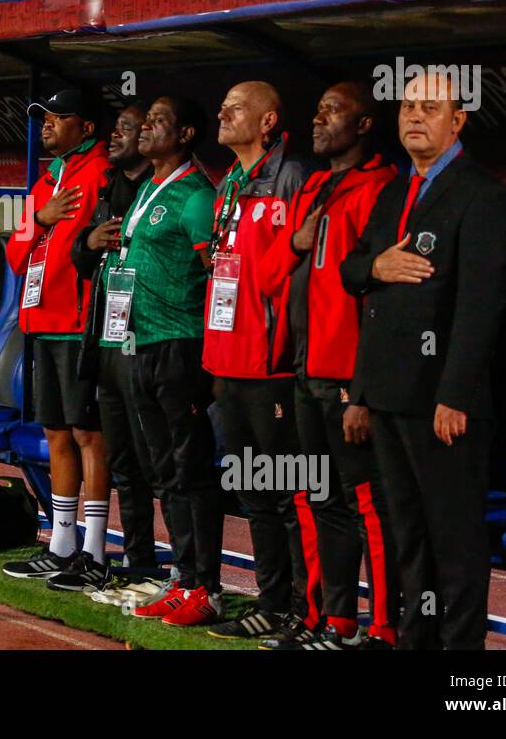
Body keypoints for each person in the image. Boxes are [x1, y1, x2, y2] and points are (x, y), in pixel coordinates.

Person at [341, 71, 506, 650]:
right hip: (389, 395)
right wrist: (375, 269)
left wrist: (455, 395)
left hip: (441, 402)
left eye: (431, 107)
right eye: (408, 106)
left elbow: (482, 306)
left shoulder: (484, 194)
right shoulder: (395, 191)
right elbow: (351, 269)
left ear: (457, 120)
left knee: (455, 543)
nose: (415, 116)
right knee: (406, 537)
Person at [258, 81, 400, 649]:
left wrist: (363, 389)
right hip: (303, 371)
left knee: (369, 505)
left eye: (332, 111)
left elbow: (382, 302)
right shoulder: (314, 186)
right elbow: (268, 278)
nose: (317, 120)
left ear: (364, 125)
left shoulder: (384, 189)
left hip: (349, 378)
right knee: (313, 497)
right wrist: (296, 241)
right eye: (315, 109)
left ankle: (385, 630)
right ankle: (329, 621)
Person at [202, 81, 315, 643]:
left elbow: (303, 266)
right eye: (222, 106)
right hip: (227, 363)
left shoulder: (291, 175)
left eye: (237, 108)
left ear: (268, 122)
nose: (223, 114)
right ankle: (270, 601)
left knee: (288, 493)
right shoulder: (228, 184)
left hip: (271, 368)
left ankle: (302, 607)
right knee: (253, 493)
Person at [107, 96, 224, 626]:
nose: (147, 128)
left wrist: (216, 356)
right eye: (146, 120)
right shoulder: (144, 191)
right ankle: (182, 577)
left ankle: (209, 587)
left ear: (184, 135)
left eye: (158, 121)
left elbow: (218, 272)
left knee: (191, 470)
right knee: (165, 473)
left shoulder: (196, 195)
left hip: (181, 345)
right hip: (137, 344)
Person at [2, 89, 113, 591]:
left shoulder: (99, 172)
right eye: (43, 119)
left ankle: (94, 550)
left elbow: (85, 251)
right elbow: (14, 254)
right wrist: (42, 219)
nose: (46, 125)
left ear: (86, 127)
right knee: (55, 433)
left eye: (57, 118)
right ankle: (62, 544)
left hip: (77, 322)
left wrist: (41, 228)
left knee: (89, 434)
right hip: (39, 319)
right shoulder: (49, 178)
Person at [70, 103, 155, 569]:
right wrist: (88, 241)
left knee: (153, 460)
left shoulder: (162, 190)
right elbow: (80, 261)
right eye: (114, 127)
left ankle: (182, 572)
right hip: (105, 336)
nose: (113, 136)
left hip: (150, 342)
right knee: (123, 458)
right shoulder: (109, 187)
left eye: (125, 128)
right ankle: (135, 558)